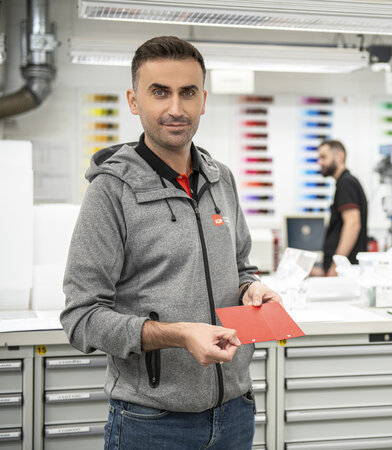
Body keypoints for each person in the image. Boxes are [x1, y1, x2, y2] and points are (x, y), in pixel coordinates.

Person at [60, 36, 282, 449]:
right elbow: (81, 317)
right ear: (134, 101)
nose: (176, 108)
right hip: (152, 422)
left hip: (235, 411)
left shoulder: (221, 179)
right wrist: (177, 334)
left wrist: (251, 289)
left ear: (203, 100)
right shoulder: (111, 190)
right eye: (160, 92)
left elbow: (241, 268)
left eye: (188, 93)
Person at [312, 139, 368, 276]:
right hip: (342, 270)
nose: (320, 162)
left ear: (339, 156)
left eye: (323, 157)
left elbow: (352, 225)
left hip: (344, 272)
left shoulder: (346, 183)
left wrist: (335, 268)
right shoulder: (344, 182)